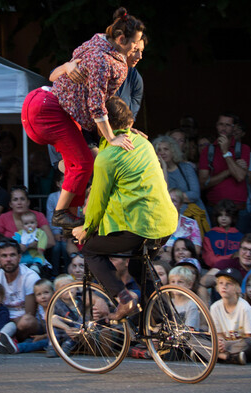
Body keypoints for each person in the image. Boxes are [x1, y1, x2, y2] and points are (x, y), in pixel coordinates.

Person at [22, 8, 144, 229]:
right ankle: (61, 213)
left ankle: (69, 215)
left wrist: (122, 130)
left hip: (41, 103)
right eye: (136, 46)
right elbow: (97, 107)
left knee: (79, 165)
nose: (137, 51)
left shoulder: (97, 41)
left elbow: (56, 78)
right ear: (121, 39)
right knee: (85, 163)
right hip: (48, 110)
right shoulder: (107, 61)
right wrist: (113, 137)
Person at [72, 96, 177, 322]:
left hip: (141, 226)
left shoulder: (107, 158)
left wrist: (86, 229)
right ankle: (167, 326)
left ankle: (123, 298)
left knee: (90, 249)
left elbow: (97, 201)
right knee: (139, 267)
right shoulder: (144, 143)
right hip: (166, 222)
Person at [198, 112, 251, 230]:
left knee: (242, 247)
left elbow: (240, 176)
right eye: (221, 124)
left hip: (239, 210)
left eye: (227, 125)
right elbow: (203, 183)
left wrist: (225, 152)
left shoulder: (243, 149)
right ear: (217, 126)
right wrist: (229, 171)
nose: (223, 128)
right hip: (215, 210)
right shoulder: (208, 151)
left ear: (234, 128)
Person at [0, 239, 41, 340]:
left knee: (26, 321)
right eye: (4, 256)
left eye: (12, 255)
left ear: (19, 258)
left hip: (24, 324)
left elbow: (30, 313)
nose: (8, 259)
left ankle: (8, 338)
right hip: (3, 322)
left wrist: (10, 323)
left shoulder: (30, 277)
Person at [210, 268, 251, 365]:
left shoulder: (245, 308)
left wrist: (227, 344)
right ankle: (228, 357)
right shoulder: (215, 307)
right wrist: (220, 343)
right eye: (221, 283)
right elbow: (218, 334)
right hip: (224, 346)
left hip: (242, 344)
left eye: (229, 284)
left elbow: (249, 336)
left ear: (238, 288)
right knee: (199, 340)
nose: (224, 286)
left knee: (250, 344)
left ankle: (215, 356)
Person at [154, 135, 206, 214]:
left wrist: (173, 198)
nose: (162, 153)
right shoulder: (156, 173)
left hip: (193, 215)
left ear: (173, 151)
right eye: (159, 150)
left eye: (166, 149)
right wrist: (164, 168)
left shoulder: (186, 168)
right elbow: (162, 196)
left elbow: (195, 194)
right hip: (172, 216)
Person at [15, 278, 54, 353]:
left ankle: (18, 348)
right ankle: (13, 345)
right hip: (43, 335)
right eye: (39, 294)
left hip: (54, 338)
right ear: (35, 298)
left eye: (46, 292)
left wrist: (43, 336)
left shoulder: (57, 308)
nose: (43, 297)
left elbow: (59, 332)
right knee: (30, 340)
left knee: (41, 343)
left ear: (53, 293)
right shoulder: (39, 311)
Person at [202, 199, 243, 269]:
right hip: (214, 270)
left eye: (227, 215)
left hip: (235, 271)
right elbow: (210, 260)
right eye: (220, 215)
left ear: (233, 217)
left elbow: (241, 260)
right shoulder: (209, 235)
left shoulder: (241, 237)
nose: (223, 218)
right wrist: (232, 256)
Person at [13, 211, 51, 276]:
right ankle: (22, 268)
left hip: (36, 253)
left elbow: (43, 239)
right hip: (24, 255)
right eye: (26, 224)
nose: (29, 225)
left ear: (36, 223)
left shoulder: (39, 232)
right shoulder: (21, 233)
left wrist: (40, 247)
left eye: (32, 223)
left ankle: (36, 266)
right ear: (22, 225)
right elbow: (14, 241)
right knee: (20, 260)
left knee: (39, 259)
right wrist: (19, 246)